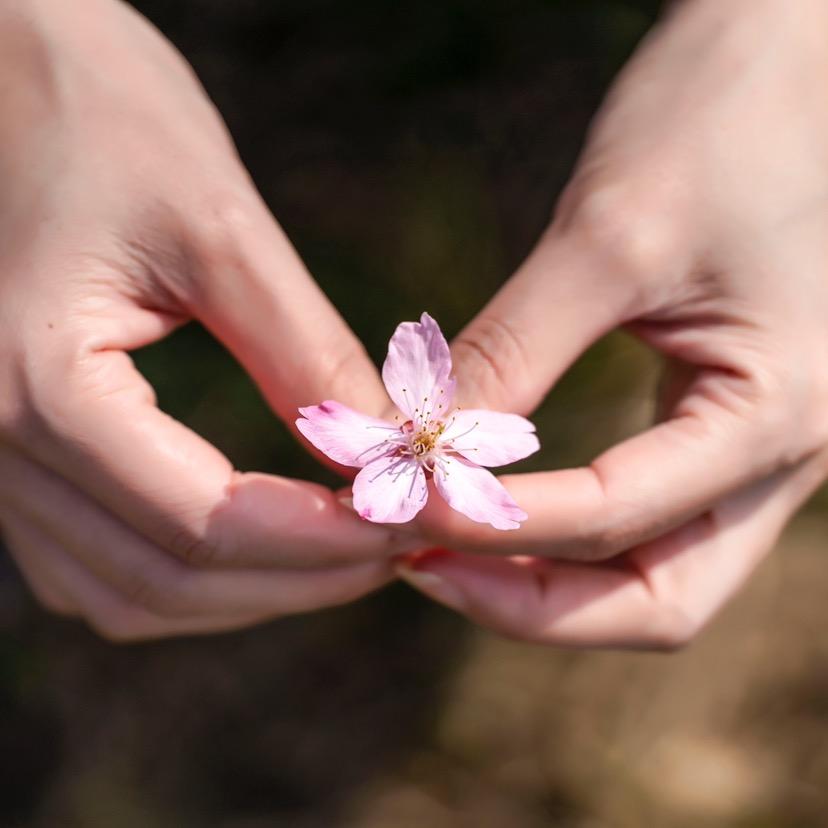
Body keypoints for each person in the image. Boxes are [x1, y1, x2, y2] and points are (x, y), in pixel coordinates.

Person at [1, 0, 826, 647]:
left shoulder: (445, 447)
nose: (427, 436)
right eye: (426, 431)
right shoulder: (402, 444)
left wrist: (791, 31)